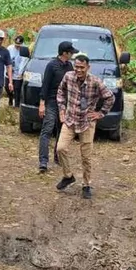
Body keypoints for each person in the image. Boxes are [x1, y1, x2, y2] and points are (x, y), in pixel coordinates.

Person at [55, 53, 115, 199]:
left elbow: (110, 97)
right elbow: (60, 92)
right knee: (60, 148)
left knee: (86, 156)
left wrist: (100, 114)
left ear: (88, 67)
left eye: (82, 67)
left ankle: (86, 184)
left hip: (87, 122)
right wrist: (62, 109)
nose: (79, 70)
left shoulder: (95, 82)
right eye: (76, 67)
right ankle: (68, 175)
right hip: (70, 119)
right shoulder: (68, 77)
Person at [38, 41, 77, 173]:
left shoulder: (69, 66)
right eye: (71, 52)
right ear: (64, 53)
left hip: (65, 103)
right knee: (47, 129)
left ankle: (57, 156)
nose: (72, 55)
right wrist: (42, 103)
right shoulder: (51, 66)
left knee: (61, 130)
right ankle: (43, 161)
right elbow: (45, 85)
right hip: (51, 101)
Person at [6, 35, 28, 108]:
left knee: (17, 89)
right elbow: (6, 59)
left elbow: (24, 61)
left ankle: (17, 105)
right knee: (7, 87)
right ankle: (10, 98)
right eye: (16, 45)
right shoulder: (9, 48)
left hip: (18, 73)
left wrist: (21, 73)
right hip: (9, 71)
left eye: (19, 45)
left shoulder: (24, 49)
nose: (17, 46)